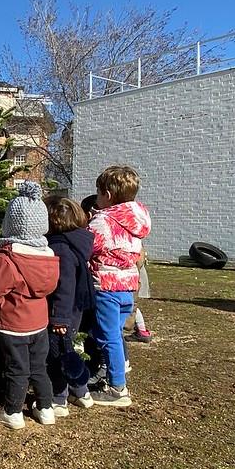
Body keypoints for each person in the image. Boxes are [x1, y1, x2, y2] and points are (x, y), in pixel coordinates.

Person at [0, 181, 59, 430]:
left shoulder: (9, 257)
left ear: (10, 223)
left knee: (17, 368)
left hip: (12, 324)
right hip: (39, 322)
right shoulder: (48, 256)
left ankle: (12, 411)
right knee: (38, 367)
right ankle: (45, 407)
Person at [87, 165, 151, 407]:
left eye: (98, 193)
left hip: (106, 286)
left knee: (108, 336)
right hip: (128, 285)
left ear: (108, 195)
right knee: (116, 334)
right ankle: (115, 374)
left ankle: (117, 389)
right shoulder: (138, 218)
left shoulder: (102, 222)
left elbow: (89, 247)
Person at [43, 196, 96, 415]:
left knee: (56, 355)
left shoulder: (61, 248)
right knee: (67, 351)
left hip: (63, 313)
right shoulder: (76, 242)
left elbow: (64, 287)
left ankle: (59, 398)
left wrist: (59, 319)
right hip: (72, 311)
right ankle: (82, 392)